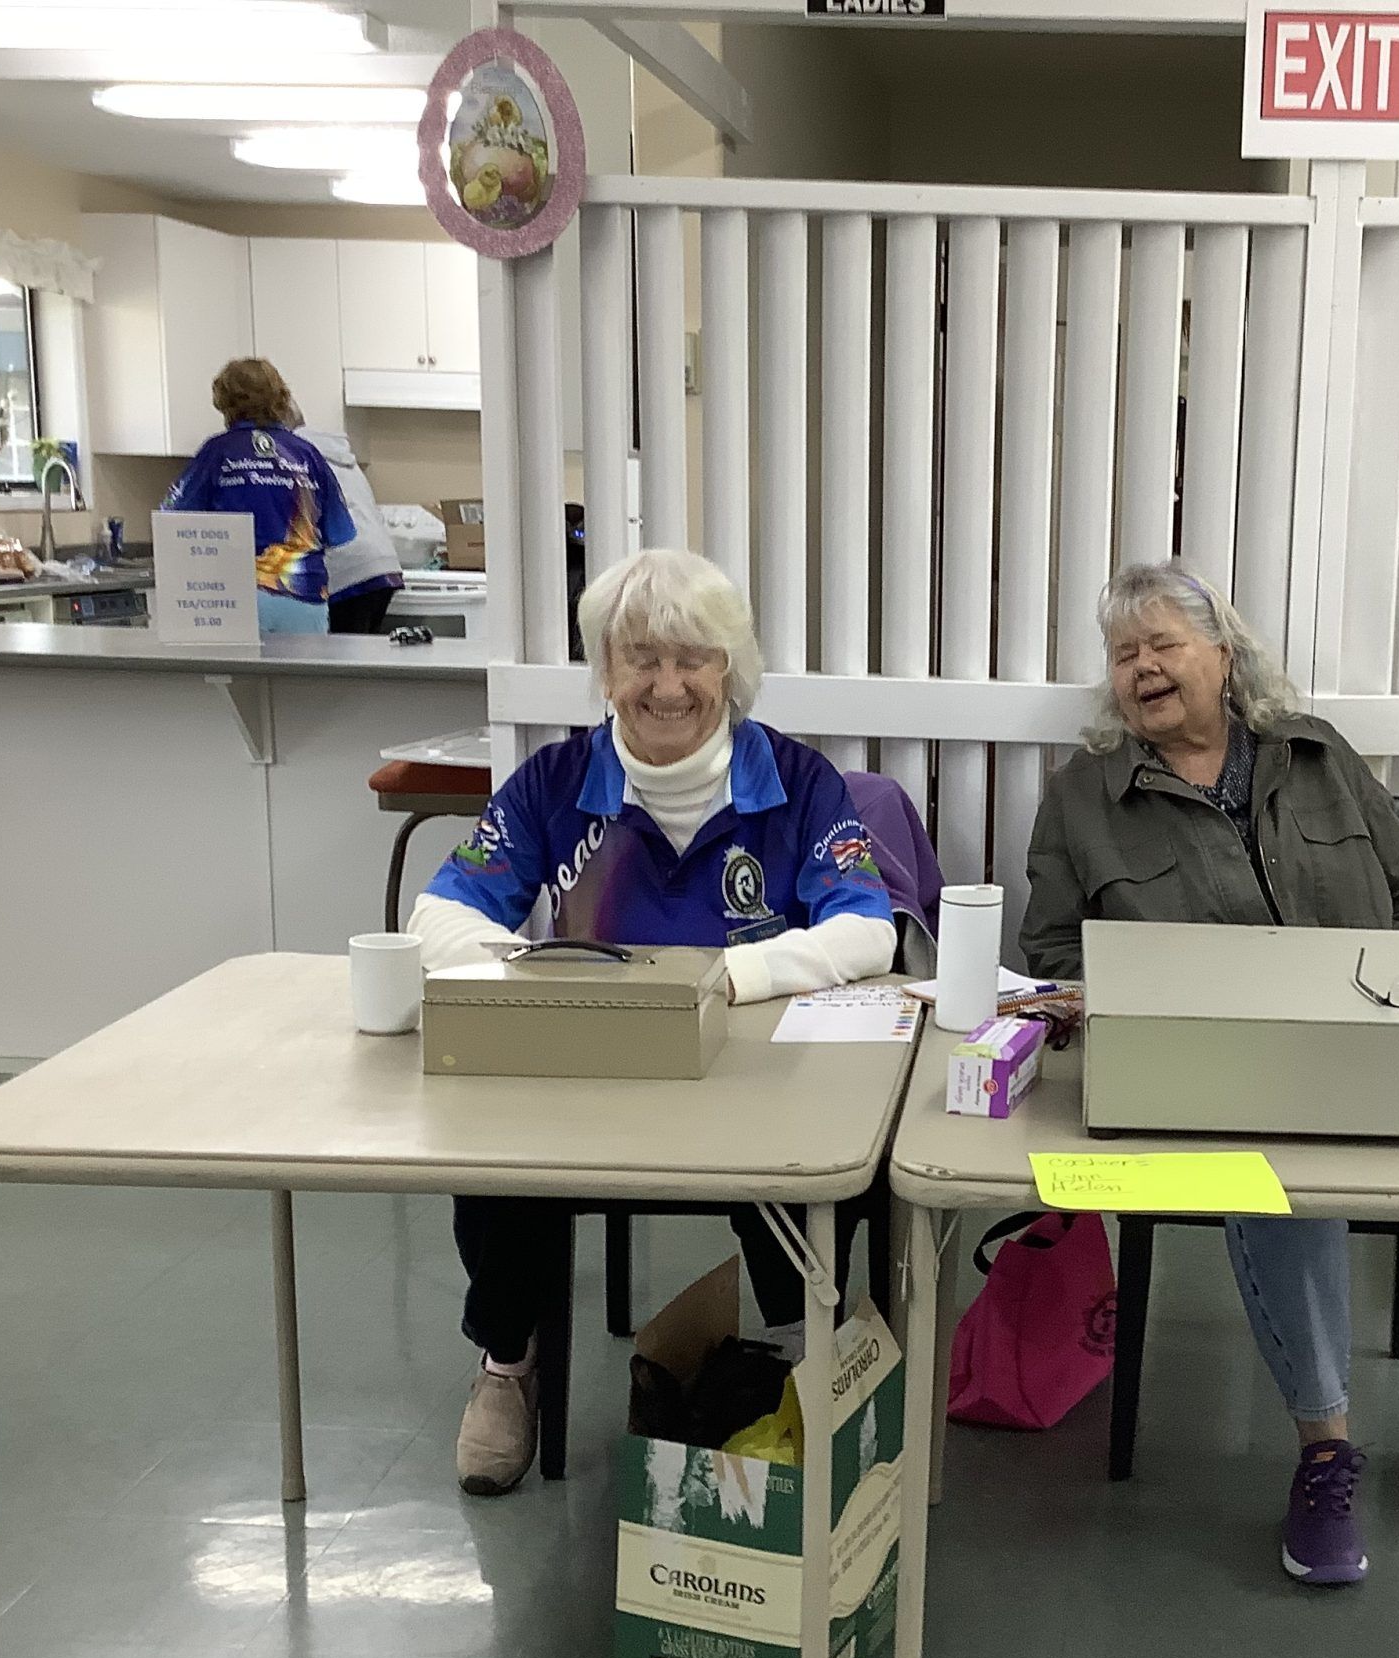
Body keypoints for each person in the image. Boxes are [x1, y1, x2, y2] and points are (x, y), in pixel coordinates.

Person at [1021, 558, 1399, 1588]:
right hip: (1220, 1072)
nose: (1141, 668)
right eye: (1123, 653)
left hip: (1375, 1043)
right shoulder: (1084, 798)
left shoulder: (1316, 755)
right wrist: (1126, 1002)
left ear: (1223, 656)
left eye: (1163, 644)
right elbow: (1051, 951)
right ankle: (1325, 1450)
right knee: (1273, 1178)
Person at [408, 548, 897, 1496]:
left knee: (821, 1162)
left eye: (693, 658)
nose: (667, 686)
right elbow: (441, 914)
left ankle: (807, 1354)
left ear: (731, 668)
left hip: (750, 1079)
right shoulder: (553, 782)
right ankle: (508, 1359)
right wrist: (540, 981)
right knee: (491, 1146)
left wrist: (719, 983)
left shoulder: (801, 782)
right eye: (641, 659)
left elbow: (866, 929)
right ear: (606, 670)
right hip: (588, 1074)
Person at [162, 359, 354, 635]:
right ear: (282, 396)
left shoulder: (217, 452)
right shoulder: (308, 454)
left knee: (240, 667)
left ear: (224, 401)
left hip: (237, 598)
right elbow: (339, 533)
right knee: (304, 665)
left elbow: (172, 518)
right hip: (305, 598)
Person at [292, 419, 405, 634]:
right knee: (364, 646)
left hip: (346, 569)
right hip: (384, 565)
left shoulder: (296, 458)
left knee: (342, 649)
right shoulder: (343, 457)